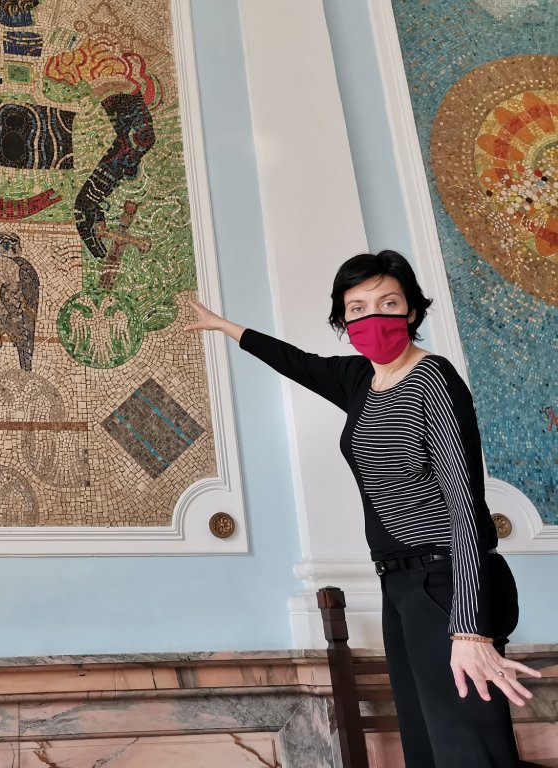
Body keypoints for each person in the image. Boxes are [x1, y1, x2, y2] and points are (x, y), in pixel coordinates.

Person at [186, 250, 541, 767]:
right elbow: (297, 362)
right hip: (399, 585)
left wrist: (469, 627)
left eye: (388, 303)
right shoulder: (359, 380)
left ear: (412, 311)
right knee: (425, 748)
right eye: (357, 308)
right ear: (343, 319)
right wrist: (226, 327)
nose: (372, 317)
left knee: (467, 750)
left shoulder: (433, 380)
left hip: (448, 581)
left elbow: (464, 505)